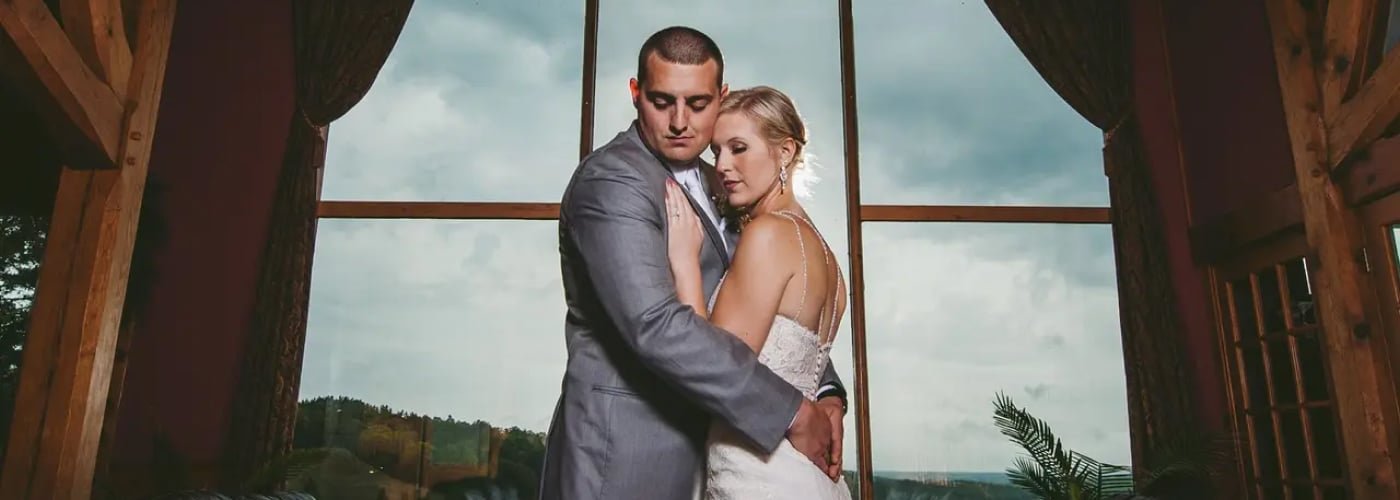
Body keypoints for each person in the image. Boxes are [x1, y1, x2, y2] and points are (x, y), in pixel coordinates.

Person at [539, 26, 849, 500]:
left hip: (723, 454)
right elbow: (655, 324)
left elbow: (769, 307)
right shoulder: (612, 183)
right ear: (636, 93)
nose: (680, 122)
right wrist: (791, 411)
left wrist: (826, 394)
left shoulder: (725, 183)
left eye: (698, 104)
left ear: (721, 97)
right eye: (662, 101)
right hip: (629, 456)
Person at [665, 85, 852, 499]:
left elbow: (712, 366)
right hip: (810, 478)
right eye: (716, 152)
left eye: (738, 148)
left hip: (757, 476)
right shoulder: (824, 253)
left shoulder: (767, 235)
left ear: (785, 152)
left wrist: (685, 262)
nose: (722, 166)